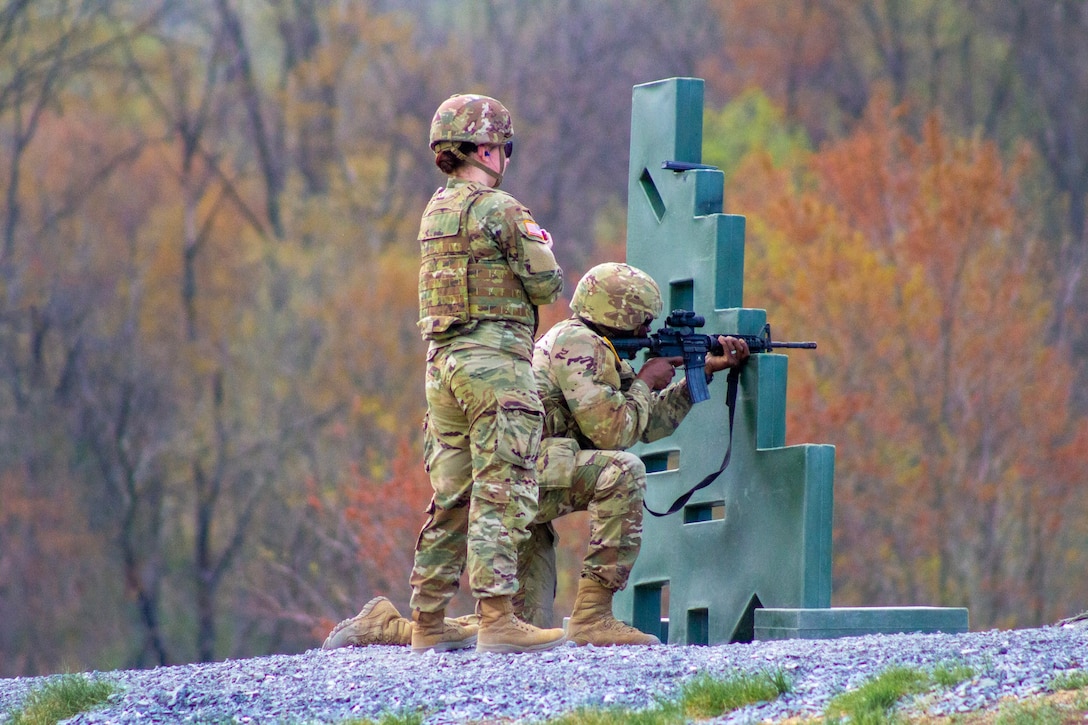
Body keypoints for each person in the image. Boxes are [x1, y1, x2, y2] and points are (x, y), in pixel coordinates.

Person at [323, 263, 750, 649]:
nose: (647, 328)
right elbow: (615, 434)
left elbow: (646, 423)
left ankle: (385, 627)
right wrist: (644, 381)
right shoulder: (578, 346)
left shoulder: (592, 345)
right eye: (642, 320)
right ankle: (592, 618)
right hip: (518, 473)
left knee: (519, 626)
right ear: (621, 314)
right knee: (623, 473)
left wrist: (698, 376)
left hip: (527, 474)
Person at [408, 93, 566, 654]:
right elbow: (547, 285)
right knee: (504, 484)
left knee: (452, 494)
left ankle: (426, 621)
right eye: (502, 146)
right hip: (494, 366)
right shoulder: (500, 210)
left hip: (442, 367)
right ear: (485, 148)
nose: (505, 157)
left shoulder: (435, 211)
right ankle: (497, 617)